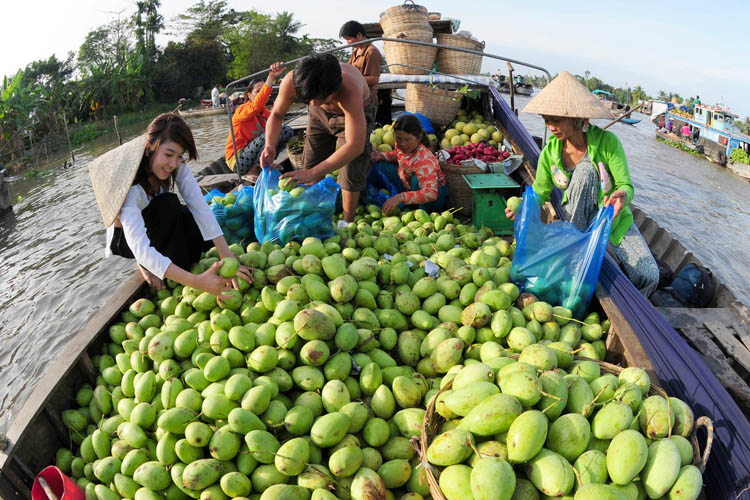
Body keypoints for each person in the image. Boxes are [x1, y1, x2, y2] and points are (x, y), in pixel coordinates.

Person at [506, 71, 658, 297]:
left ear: (578, 119)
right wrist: (523, 205)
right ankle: (574, 253)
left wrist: (622, 196)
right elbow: (540, 192)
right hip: (575, 224)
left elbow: (626, 185)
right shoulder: (550, 152)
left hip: (611, 219)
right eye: (546, 120)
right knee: (585, 172)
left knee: (649, 276)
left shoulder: (607, 143)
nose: (550, 126)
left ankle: (630, 303)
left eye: (556, 120)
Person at [89, 112, 252, 295]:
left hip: (153, 220)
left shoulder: (176, 163)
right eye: (168, 154)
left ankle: (161, 262)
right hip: (126, 239)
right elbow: (140, 246)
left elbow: (198, 205)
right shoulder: (131, 188)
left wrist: (225, 254)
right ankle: (143, 264)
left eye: (180, 156)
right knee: (169, 205)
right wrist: (197, 282)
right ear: (150, 148)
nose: (173, 164)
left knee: (193, 228)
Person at [260, 53, 371, 222]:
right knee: (311, 160)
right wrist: (270, 145)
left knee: (350, 170)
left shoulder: (349, 89)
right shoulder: (294, 81)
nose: (312, 103)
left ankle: (347, 221)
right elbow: (276, 114)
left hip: (354, 113)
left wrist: (312, 173)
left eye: (320, 98)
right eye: (307, 99)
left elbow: (355, 146)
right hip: (319, 116)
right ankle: (312, 214)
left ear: (334, 90)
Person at [225, 62, 293, 178]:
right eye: (258, 91)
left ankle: (264, 165)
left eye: (263, 91)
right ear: (249, 95)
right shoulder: (242, 110)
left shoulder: (265, 113)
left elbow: (276, 125)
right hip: (238, 160)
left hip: (254, 154)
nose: (262, 94)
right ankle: (255, 170)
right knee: (268, 135)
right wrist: (271, 77)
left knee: (285, 131)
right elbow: (257, 105)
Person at [371, 114, 448, 214]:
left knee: (417, 180)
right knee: (382, 164)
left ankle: (422, 212)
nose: (402, 143)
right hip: (408, 185)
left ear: (419, 137)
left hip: (434, 198)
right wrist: (382, 156)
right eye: (398, 138)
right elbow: (400, 156)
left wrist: (401, 197)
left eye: (407, 139)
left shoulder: (424, 159)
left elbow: (431, 193)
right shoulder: (402, 145)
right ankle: (402, 201)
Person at [340, 21, 382, 123]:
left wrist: (352, 79)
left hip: (367, 100)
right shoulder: (356, 50)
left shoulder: (371, 52)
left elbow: (374, 79)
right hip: (356, 97)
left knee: (363, 130)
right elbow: (349, 69)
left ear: (359, 35)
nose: (348, 43)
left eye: (349, 39)